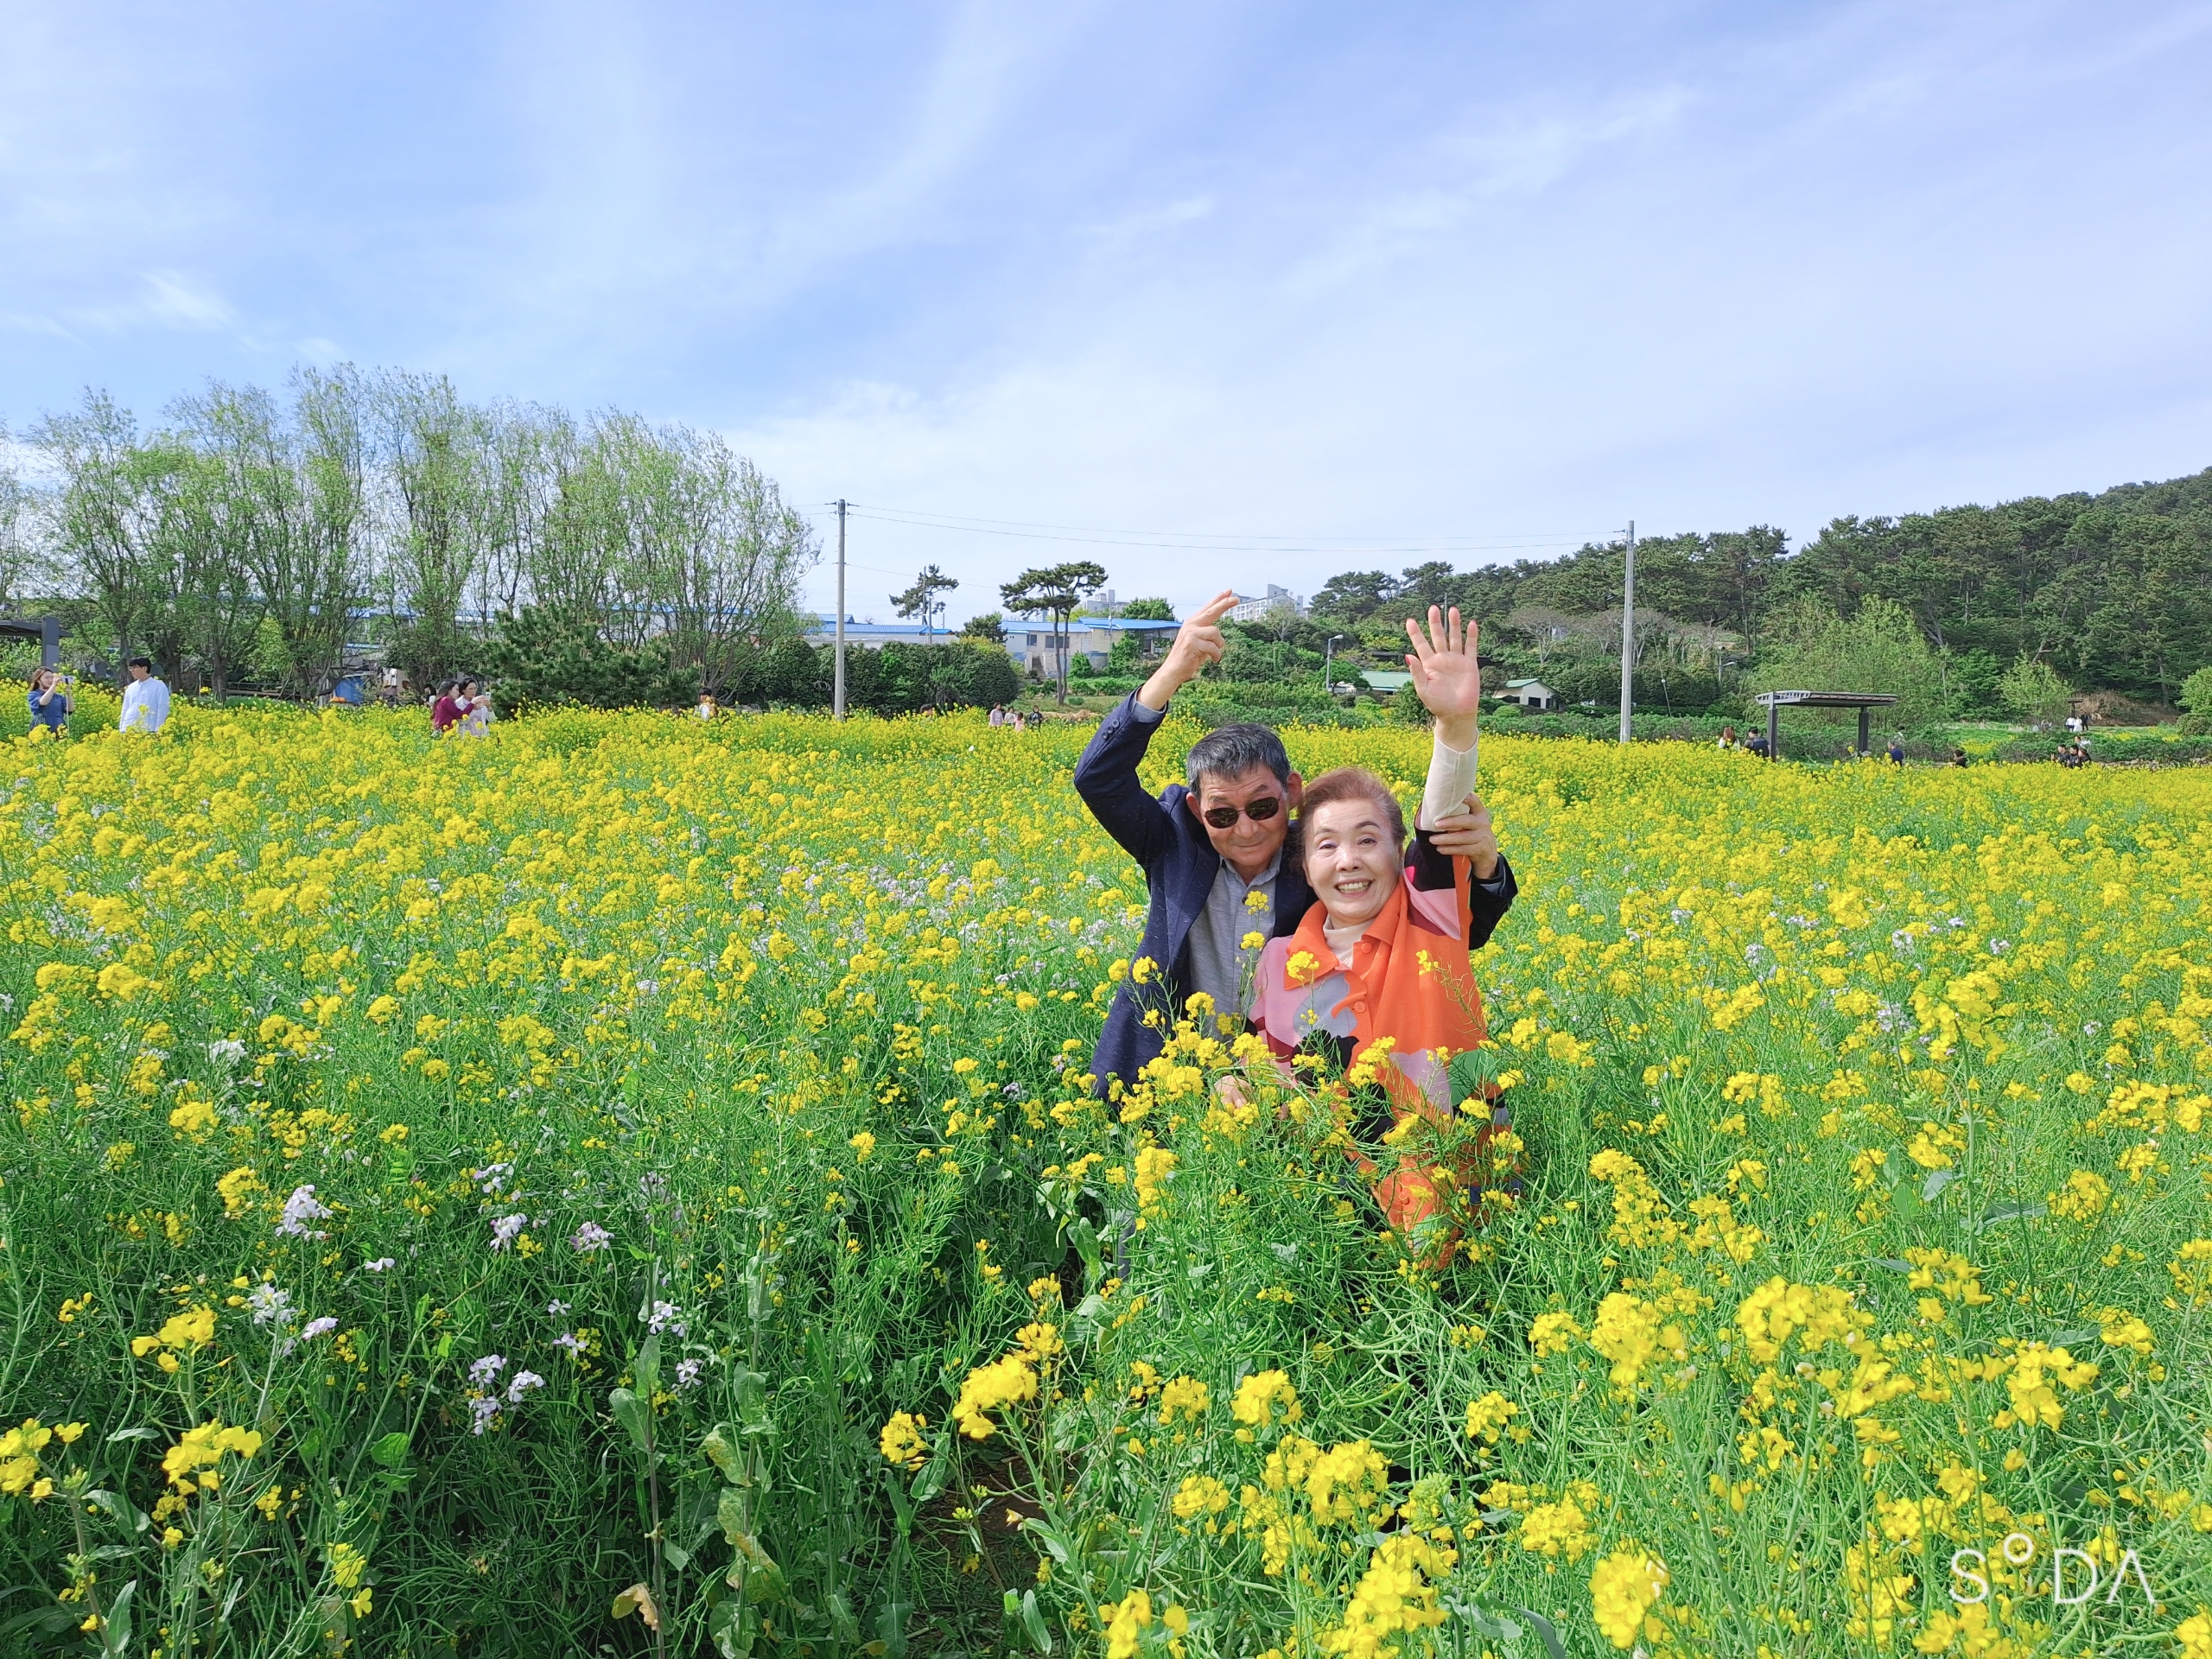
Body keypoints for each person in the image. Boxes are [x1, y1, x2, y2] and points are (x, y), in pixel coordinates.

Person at [1075, 589, 1514, 1096]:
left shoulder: (1319, 858)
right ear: (1198, 811)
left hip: (1293, 1087)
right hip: (1171, 1077)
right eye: (1222, 814)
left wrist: (1481, 858)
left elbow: (1443, 920)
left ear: (1292, 793)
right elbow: (1098, 779)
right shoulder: (1175, 844)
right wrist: (1170, 674)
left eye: (1263, 807)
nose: (1245, 829)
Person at [1240, 607, 1508, 1255]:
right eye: (1326, 845)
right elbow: (1267, 1067)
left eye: (1368, 840)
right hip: (1331, 1210)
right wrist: (1237, 1084)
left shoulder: (1431, 918)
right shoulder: (1279, 961)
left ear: (1399, 854)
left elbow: (1441, 819)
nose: (1348, 860)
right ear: (1305, 865)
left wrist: (1455, 727)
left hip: (1461, 1200)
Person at [118, 658, 170, 734]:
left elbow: (163, 708)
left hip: (149, 729)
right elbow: (125, 708)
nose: (132, 670)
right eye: (130, 668)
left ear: (145, 668)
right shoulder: (131, 687)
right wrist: (122, 728)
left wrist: (158, 729)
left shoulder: (159, 686)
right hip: (129, 729)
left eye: (135, 667)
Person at [28, 667, 72, 736]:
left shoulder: (58, 697)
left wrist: (68, 693)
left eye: (52, 678)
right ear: (38, 680)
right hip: (41, 730)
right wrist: (54, 685)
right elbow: (43, 702)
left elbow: (70, 710)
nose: (50, 680)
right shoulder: (33, 694)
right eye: (47, 678)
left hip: (59, 729)